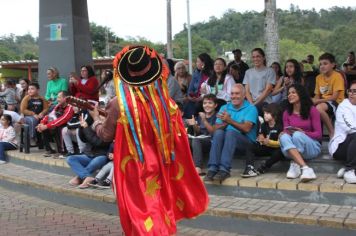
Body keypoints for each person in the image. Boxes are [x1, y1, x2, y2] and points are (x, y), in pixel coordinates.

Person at [89, 45, 208, 235]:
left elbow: (105, 135)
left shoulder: (119, 103)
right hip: (159, 164)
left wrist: (95, 120)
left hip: (133, 167)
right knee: (158, 208)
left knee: (137, 213)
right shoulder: (164, 101)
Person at [205, 84, 258, 181]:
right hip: (228, 143)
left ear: (244, 95)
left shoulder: (251, 108)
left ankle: (224, 170)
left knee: (230, 132)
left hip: (247, 144)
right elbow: (214, 129)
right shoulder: (224, 107)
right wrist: (225, 123)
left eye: (237, 93)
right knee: (219, 133)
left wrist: (230, 121)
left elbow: (246, 129)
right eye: (232, 93)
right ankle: (213, 168)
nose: (234, 96)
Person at [279, 84, 322, 182]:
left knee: (297, 135)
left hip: (311, 148)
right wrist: (282, 133)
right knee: (284, 136)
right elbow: (286, 130)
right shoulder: (286, 113)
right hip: (292, 148)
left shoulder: (312, 110)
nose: (290, 95)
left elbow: (318, 135)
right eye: (289, 93)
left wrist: (303, 133)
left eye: (293, 92)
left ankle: (295, 164)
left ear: (301, 94)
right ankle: (305, 168)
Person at [66, 114, 110, 189]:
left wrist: (86, 128)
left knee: (96, 161)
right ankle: (86, 177)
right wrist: (81, 126)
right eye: (99, 118)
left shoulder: (108, 131)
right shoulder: (93, 127)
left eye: (102, 119)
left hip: (102, 156)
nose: (100, 121)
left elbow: (97, 142)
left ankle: (80, 177)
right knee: (70, 159)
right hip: (89, 154)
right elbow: (84, 139)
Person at [329, 81, 356, 183]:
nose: (351, 93)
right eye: (350, 91)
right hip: (340, 146)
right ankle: (350, 170)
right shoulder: (344, 106)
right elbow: (350, 128)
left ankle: (347, 169)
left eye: (355, 91)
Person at [313, 53, 345, 138]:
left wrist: (318, 101)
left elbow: (334, 97)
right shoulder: (318, 77)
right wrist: (313, 101)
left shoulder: (337, 76)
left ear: (333, 65)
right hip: (324, 102)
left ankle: (331, 131)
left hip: (336, 102)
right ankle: (316, 136)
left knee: (319, 108)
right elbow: (317, 95)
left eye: (325, 63)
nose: (322, 66)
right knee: (309, 107)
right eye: (320, 64)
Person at [185, 94, 217, 175]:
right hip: (200, 139)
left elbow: (212, 131)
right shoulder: (200, 116)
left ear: (215, 105)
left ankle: (198, 167)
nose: (207, 105)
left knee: (196, 140)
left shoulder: (217, 116)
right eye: (205, 103)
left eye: (210, 103)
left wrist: (204, 119)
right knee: (185, 139)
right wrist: (194, 124)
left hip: (211, 141)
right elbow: (198, 131)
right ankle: (183, 166)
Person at [37, 91, 74, 157]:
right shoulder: (58, 106)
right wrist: (41, 124)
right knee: (45, 128)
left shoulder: (70, 107)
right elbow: (49, 115)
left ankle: (62, 152)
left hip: (69, 125)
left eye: (59, 97)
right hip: (58, 123)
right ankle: (49, 150)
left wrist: (47, 126)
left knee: (59, 127)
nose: (57, 99)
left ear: (65, 98)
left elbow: (63, 119)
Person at [243, 48, 276, 115]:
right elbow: (247, 91)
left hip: (265, 103)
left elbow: (268, 90)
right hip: (251, 102)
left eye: (258, 56)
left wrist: (255, 104)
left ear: (263, 57)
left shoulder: (270, 71)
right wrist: (251, 103)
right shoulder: (248, 72)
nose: (255, 59)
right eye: (253, 57)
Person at [255, 103, 285, 174]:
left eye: (267, 113)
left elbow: (281, 143)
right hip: (266, 148)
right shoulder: (263, 125)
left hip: (276, 148)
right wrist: (261, 139)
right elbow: (261, 135)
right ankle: (249, 166)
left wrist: (269, 142)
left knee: (281, 152)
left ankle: (265, 166)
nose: (265, 115)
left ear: (274, 114)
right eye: (264, 113)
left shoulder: (280, 126)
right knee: (251, 146)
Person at [184, 53, 214, 118]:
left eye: (198, 61)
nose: (196, 63)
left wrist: (200, 98)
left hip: (206, 99)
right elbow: (190, 89)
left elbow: (212, 91)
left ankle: (196, 124)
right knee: (186, 105)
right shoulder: (196, 74)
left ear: (203, 63)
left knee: (197, 106)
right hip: (194, 99)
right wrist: (190, 97)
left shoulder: (212, 74)